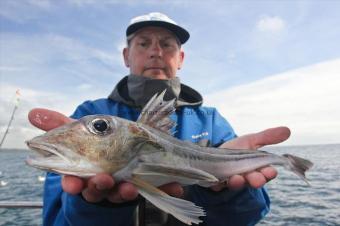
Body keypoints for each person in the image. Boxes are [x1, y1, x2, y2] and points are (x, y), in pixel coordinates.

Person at [28, 12, 290, 226]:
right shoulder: (87, 112)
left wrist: (226, 192)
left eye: (167, 44)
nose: (155, 52)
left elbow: (250, 216)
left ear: (181, 58)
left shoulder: (210, 120)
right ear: (125, 56)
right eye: (143, 43)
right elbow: (56, 221)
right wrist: (96, 205)